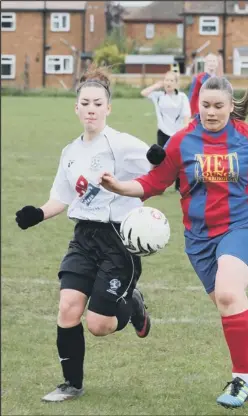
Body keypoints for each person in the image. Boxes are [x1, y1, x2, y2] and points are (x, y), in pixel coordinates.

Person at [99, 76, 248, 410]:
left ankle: (242, 379)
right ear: (198, 104)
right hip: (199, 240)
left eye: (219, 106)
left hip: (244, 228)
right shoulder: (183, 141)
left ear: (230, 106)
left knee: (228, 293)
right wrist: (118, 186)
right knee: (233, 306)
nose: (211, 113)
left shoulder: (247, 137)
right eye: (205, 106)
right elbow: (154, 182)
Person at [15, 65, 152, 402]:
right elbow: (61, 197)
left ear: (108, 108)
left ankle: (133, 304)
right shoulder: (70, 152)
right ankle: (71, 384)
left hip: (118, 240)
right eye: (85, 103)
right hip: (83, 238)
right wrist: (38, 214)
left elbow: (154, 167)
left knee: (99, 325)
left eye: (97, 103)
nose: (91, 109)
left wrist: (157, 158)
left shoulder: (120, 144)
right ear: (76, 107)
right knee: (67, 309)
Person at [141, 71, 191, 191]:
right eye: (166, 80)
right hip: (163, 132)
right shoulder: (158, 96)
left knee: (179, 159)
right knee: (159, 159)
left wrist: (184, 132)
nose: (168, 83)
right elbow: (143, 93)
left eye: (171, 80)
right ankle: (156, 183)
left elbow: (186, 116)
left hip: (178, 133)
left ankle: (179, 185)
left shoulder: (182, 97)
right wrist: (156, 86)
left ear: (176, 83)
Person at [188, 52, 223, 116]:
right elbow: (193, 96)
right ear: (206, 63)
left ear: (217, 63)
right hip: (200, 112)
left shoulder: (220, 80)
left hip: (215, 112)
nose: (211, 63)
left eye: (213, 61)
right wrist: (190, 113)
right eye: (209, 61)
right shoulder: (198, 78)